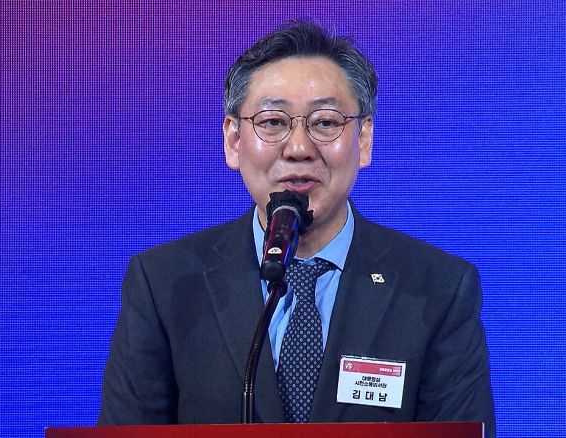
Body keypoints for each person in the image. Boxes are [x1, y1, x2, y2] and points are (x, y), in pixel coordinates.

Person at [99, 19, 495, 437]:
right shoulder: (165, 284)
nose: (300, 148)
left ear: (363, 140)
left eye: (325, 122)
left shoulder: (438, 288)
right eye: (273, 122)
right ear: (233, 141)